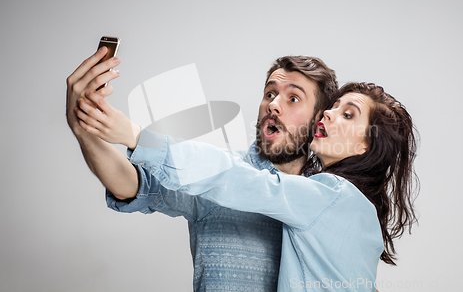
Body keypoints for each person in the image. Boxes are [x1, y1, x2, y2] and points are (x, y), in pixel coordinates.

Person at [75, 81, 419, 291]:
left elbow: (238, 179)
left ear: (364, 147)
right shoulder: (360, 213)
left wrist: (136, 137)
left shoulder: (329, 196)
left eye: (349, 114)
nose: (328, 114)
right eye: (334, 107)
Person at [66, 47, 338, 291]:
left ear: (319, 119)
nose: (274, 104)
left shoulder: (331, 199)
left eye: (293, 99)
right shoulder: (212, 176)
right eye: (270, 93)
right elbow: (134, 185)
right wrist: (84, 132)